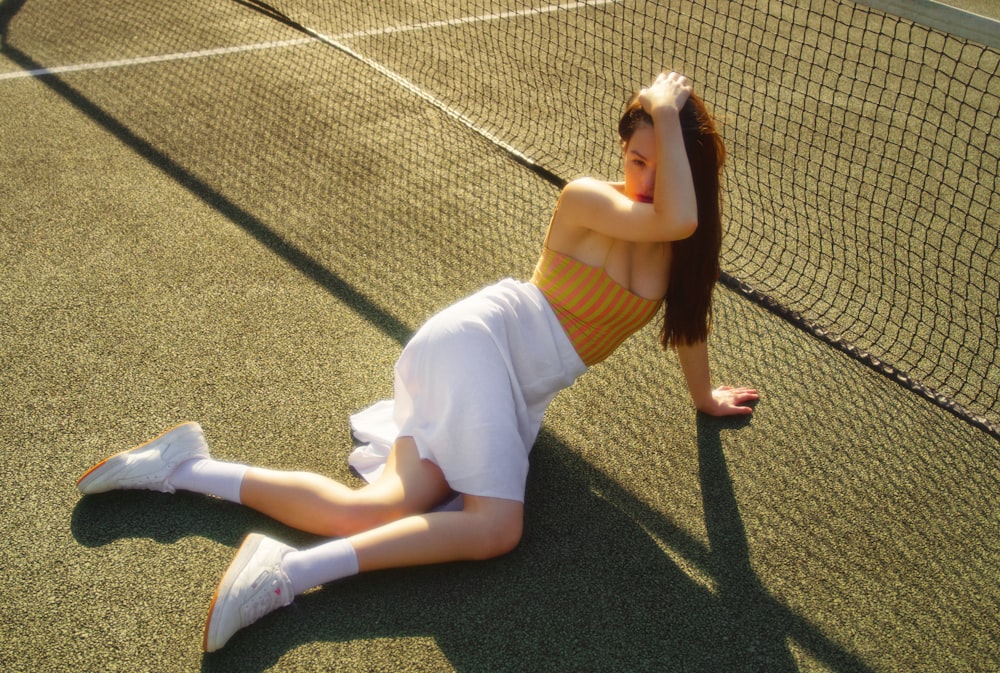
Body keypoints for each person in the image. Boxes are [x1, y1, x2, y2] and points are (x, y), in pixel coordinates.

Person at [75, 71, 758, 652]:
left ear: (690, 171)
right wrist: (665, 107)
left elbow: (689, 323)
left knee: (370, 511)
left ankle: (185, 465)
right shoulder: (591, 198)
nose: (642, 177)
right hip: (475, 341)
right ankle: (289, 571)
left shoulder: (683, 247)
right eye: (636, 158)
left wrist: (705, 397)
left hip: (504, 387)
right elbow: (676, 220)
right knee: (497, 527)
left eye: (661, 163)